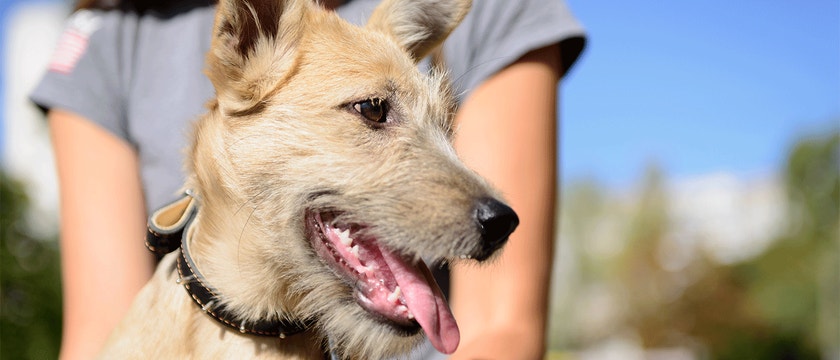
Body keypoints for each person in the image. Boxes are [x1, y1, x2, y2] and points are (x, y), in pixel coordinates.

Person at [31, 0, 585, 358]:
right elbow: (94, 333)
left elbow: (503, 332)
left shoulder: (501, 10)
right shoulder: (112, 34)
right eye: (372, 111)